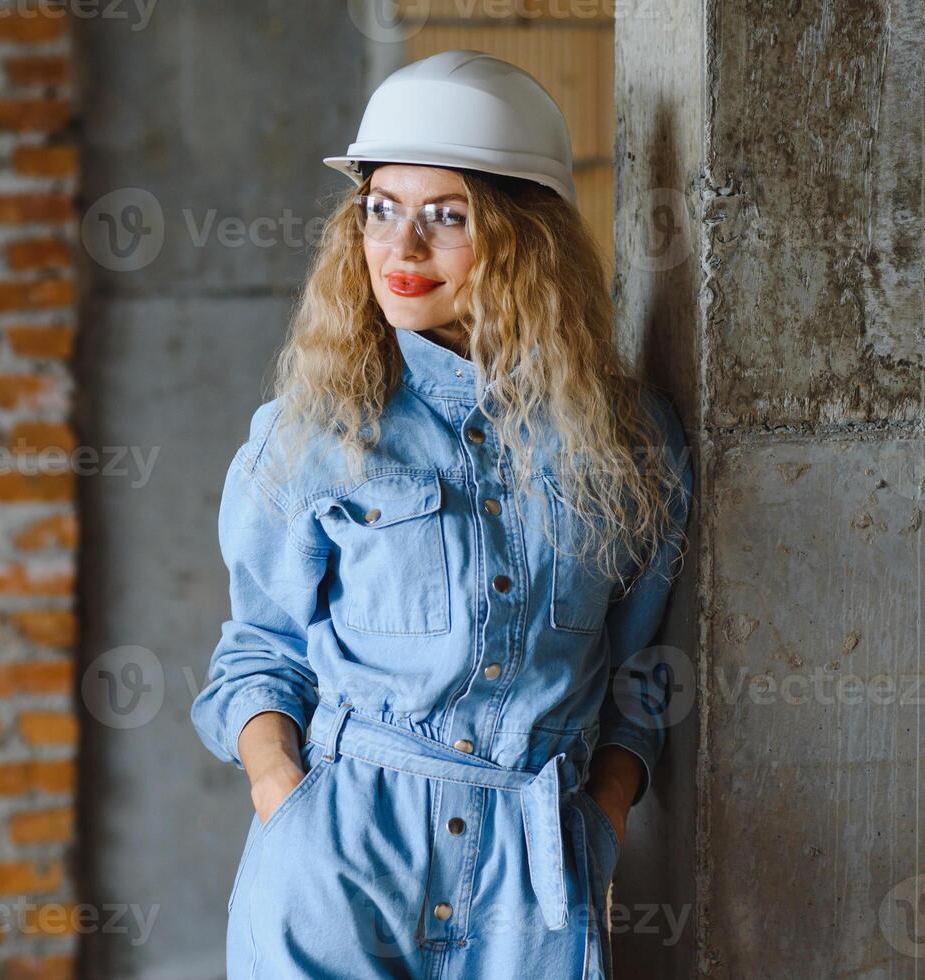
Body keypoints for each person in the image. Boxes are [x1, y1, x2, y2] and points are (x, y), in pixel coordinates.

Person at [189, 49, 696, 979]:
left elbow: (640, 673)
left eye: (446, 218)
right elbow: (258, 652)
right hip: (340, 869)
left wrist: (604, 818)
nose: (400, 249)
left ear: (522, 236)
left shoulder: (632, 441)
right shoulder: (315, 426)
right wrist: (286, 800)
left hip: (530, 893)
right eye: (380, 210)